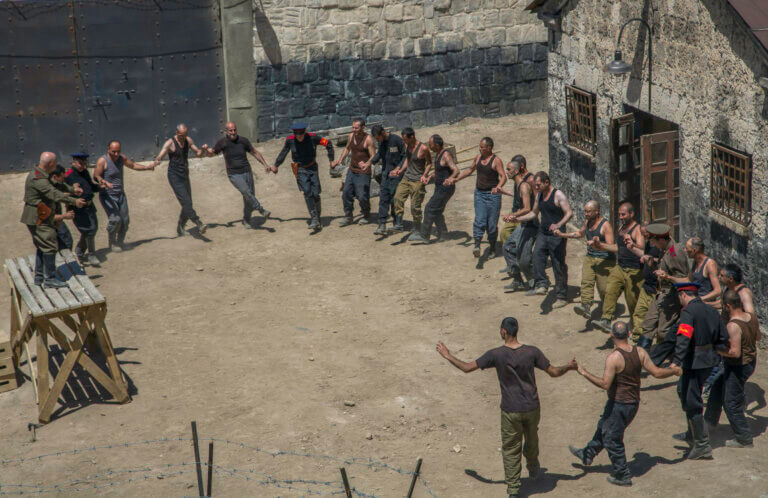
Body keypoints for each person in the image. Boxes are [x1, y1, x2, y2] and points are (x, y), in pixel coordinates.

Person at [436, 317, 577, 498]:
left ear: (503, 331)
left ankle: (513, 490)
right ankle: (533, 469)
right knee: (532, 440)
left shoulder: (496, 354)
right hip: (532, 408)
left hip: (510, 410)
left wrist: (447, 355)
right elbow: (554, 372)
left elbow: (466, 367)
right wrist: (569, 366)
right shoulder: (532, 352)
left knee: (511, 449)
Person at [569, 321, 680, 487]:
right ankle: (588, 453)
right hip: (632, 402)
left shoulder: (613, 358)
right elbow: (656, 373)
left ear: (611, 335)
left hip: (619, 404)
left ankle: (622, 474)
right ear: (629, 334)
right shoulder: (640, 352)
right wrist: (674, 370)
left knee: (612, 438)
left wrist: (583, 372)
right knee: (604, 424)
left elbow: (605, 384)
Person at [668, 282, 729, 460]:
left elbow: (684, 337)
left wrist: (676, 361)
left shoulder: (688, 312)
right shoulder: (711, 311)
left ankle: (702, 445)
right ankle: (692, 432)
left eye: (679, 297)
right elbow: (723, 337)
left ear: (684, 295)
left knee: (692, 400)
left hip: (694, 363)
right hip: (709, 360)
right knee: (682, 390)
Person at [20, 152, 86, 288]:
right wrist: (74, 201)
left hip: (40, 214)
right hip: (38, 216)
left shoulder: (42, 174)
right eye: (55, 163)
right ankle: (49, 279)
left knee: (42, 245)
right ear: (50, 164)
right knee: (50, 245)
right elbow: (54, 193)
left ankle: (39, 277)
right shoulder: (38, 179)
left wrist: (72, 190)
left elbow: (56, 185)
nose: (56, 165)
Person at [704, 289, 760, 448]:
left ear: (728, 306)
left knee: (731, 403)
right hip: (748, 361)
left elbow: (734, 353)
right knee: (716, 387)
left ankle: (744, 438)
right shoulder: (751, 317)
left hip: (739, 366)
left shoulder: (733, 325)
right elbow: (758, 337)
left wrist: (714, 347)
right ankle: (709, 424)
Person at [510, 172, 573, 308]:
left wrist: (558, 224)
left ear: (547, 182)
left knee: (558, 265)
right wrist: (518, 218)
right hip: (543, 234)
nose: (536, 187)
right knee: (537, 257)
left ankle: (562, 296)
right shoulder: (539, 195)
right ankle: (542, 284)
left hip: (557, 236)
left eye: (538, 185)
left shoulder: (558, 195)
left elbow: (569, 213)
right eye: (535, 185)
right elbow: (534, 213)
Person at [201, 121, 272, 228]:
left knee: (249, 197)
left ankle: (246, 220)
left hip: (247, 171)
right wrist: (207, 150)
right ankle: (261, 210)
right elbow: (211, 154)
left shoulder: (243, 141)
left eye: (234, 130)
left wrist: (265, 164)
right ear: (226, 131)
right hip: (234, 174)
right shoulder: (222, 143)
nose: (233, 132)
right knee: (246, 192)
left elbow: (255, 152)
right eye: (230, 130)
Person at [633, 226, 689, 359]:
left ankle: (678, 356)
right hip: (661, 295)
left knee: (663, 332)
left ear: (661, 240)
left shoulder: (675, 252)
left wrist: (667, 277)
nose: (652, 245)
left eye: (654, 241)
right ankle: (640, 359)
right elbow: (665, 266)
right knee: (647, 324)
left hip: (672, 297)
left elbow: (684, 279)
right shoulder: (664, 250)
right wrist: (653, 264)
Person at [445, 137, 506, 258]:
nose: (480, 149)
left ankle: (492, 247)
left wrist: (498, 187)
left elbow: (503, 176)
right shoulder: (478, 158)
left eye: (482, 147)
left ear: (489, 148)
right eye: (479, 147)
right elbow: (469, 169)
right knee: (480, 219)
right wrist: (456, 179)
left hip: (493, 195)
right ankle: (477, 245)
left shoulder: (496, 161)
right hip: (480, 194)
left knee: (492, 224)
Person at [554, 200, 615, 318]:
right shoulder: (587, 221)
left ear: (596, 212)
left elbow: (611, 246)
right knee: (586, 282)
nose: (586, 214)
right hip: (590, 257)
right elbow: (579, 233)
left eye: (588, 211)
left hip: (605, 260)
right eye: (585, 211)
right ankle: (586, 306)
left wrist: (598, 245)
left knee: (603, 289)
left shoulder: (605, 225)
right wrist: (562, 235)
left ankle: (608, 310)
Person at [590, 202, 644, 333]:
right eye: (619, 214)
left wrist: (632, 244)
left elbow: (642, 249)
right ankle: (606, 320)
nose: (621, 217)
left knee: (632, 302)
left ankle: (636, 326)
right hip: (620, 267)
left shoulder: (637, 229)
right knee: (610, 290)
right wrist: (600, 245)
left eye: (623, 214)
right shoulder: (621, 228)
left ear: (631, 214)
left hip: (634, 271)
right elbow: (616, 247)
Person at [272, 122, 335, 231]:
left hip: (312, 167)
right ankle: (314, 218)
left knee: (315, 193)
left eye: (301, 134)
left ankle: (317, 218)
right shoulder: (290, 140)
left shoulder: (313, 137)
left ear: (304, 132)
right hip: (300, 169)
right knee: (307, 191)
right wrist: (276, 165)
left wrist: (331, 160)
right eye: (297, 134)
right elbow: (284, 152)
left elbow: (328, 143)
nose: (299, 136)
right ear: (294, 133)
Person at [94, 141, 155, 251]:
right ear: (108, 150)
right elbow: (96, 175)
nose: (116, 154)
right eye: (114, 152)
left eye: (118, 151)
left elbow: (133, 165)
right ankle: (112, 243)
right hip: (108, 196)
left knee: (125, 221)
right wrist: (103, 182)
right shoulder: (102, 160)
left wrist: (147, 167)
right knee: (115, 219)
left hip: (120, 195)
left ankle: (120, 242)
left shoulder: (121, 158)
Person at [151, 123, 207, 236]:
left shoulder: (188, 140)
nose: (183, 137)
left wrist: (203, 149)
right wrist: (156, 161)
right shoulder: (170, 143)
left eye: (185, 134)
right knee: (186, 202)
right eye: (181, 135)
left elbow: (199, 154)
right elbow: (160, 155)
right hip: (174, 175)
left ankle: (180, 227)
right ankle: (198, 222)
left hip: (184, 174)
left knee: (188, 203)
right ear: (177, 133)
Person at [407, 134, 459, 243]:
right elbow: (439, 171)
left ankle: (425, 235)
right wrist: (429, 177)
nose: (429, 147)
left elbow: (456, 170)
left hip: (445, 189)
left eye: (430, 144)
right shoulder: (439, 154)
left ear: (436, 145)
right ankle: (444, 234)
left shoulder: (446, 155)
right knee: (437, 211)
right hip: (439, 188)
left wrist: (450, 179)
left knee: (429, 208)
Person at [499, 156, 538, 292]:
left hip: (530, 225)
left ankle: (537, 284)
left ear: (516, 171)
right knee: (507, 247)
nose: (506, 172)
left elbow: (527, 208)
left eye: (509, 169)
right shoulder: (517, 185)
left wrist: (513, 215)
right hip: (522, 225)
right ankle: (518, 280)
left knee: (524, 260)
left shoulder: (524, 186)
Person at [361, 125, 406, 235]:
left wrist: (399, 168)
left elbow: (405, 156)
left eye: (377, 138)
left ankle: (397, 222)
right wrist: (369, 163)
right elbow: (379, 154)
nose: (377, 140)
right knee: (383, 198)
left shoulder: (396, 140)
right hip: (386, 174)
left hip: (396, 174)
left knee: (394, 199)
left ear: (383, 133)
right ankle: (382, 224)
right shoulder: (381, 143)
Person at [331, 118, 376, 226]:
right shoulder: (351, 136)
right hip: (352, 170)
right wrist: (340, 160)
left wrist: (367, 164)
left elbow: (374, 156)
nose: (354, 130)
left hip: (363, 172)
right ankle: (348, 216)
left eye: (356, 128)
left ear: (363, 127)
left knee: (362, 196)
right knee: (346, 193)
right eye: (353, 127)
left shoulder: (368, 139)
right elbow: (347, 148)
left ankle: (366, 215)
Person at [65, 152, 103, 266]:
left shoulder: (85, 172)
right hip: (78, 208)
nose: (83, 166)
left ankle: (79, 252)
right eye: (80, 163)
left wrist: (100, 187)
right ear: (73, 162)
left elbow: (90, 187)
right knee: (87, 231)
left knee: (93, 229)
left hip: (90, 206)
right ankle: (90, 254)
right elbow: (64, 193)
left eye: (85, 164)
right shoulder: (69, 175)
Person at [391, 128, 431, 232]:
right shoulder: (406, 145)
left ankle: (417, 229)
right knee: (397, 198)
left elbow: (429, 163)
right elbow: (407, 160)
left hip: (417, 180)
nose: (404, 141)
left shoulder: (423, 148)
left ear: (412, 137)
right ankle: (399, 224)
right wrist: (400, 170)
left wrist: (425, 175)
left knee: (415, 206)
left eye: (405, 139)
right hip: (406, 178)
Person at [686, 237, 721, 305]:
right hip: (694, 302)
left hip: (704, 305)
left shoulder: (709, 264)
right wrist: (669, 277)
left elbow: (718, 291)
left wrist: (699, 299)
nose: (685, 250)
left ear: (694, 250)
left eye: (687, 249)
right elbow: (688, 280)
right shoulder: (695, 262)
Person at [50, 165, 74, 251]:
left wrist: (72, 190)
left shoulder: (55, 183)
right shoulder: (47, 187)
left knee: (66, 241)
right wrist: (65, 216)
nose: (64, 179)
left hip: (56, 218)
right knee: (66, 242)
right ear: (54, 176)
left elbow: (63, 187)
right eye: (62, 177)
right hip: (50, 220)